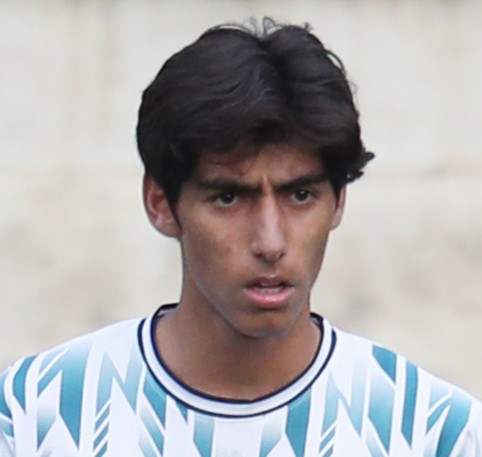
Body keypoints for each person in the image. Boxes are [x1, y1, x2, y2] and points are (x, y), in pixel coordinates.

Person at [0, 18, 481, 457]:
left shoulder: (435, 433)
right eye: (228, 198)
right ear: (161, 203)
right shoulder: (32, 414)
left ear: (338, 202)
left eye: (300, 195)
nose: (270, 242)